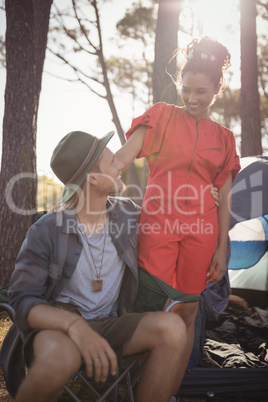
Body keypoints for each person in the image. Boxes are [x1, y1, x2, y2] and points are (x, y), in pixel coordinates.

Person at [9, 130, 187, 402]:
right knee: (58, 358)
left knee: (172, 328)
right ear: (92, 178)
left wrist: (207, 196)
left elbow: (174, 218)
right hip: (58, 328)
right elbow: (22, 300)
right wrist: (74, 326)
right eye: (112, 161)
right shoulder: (46, 230)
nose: (121, 164)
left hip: (112, 324)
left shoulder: (129, 214)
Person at [115, 37, 241, 387]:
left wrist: (220, 250)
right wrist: (89, 173)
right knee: (150, 306)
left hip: (202, 234)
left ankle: (169, 389)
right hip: (158, 226)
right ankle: (132, 383)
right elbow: (121, 158)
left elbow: (225, 196)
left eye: (201, 91)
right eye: (186, 89)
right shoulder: (161, 116)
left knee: (187, 310)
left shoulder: (225, 138)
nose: (192, 99)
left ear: (217, 88)